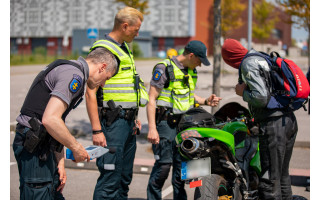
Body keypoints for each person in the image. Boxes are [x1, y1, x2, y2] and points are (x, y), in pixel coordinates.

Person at [12, 47, 118, 199]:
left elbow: (57, 122)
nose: (103, 85)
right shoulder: (74, 76)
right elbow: (50, 119)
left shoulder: (70, 68)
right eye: (107, 78)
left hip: (42, 145)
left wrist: (59, 161)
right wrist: (76, 148)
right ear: (102, 67)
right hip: (34, 148)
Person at [221, 38, 298, 200]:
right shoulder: (261, 57)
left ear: (230, 58)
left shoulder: (248, 64)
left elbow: (261, 97)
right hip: (288, 121)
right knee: (282, 176)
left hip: (273, 125)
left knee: (269, 180)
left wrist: (243, 93)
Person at [85, 7, 149, 199]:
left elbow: (127, 88)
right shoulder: (104, 49)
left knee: (123, 178)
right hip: (113, 125)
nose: (138, 33)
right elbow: (90, 91)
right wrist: (97, 130)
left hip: (127, 124)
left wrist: (134, 117)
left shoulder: (123, 48)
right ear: (124, 26)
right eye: (135, 29)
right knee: (110, 177)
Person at [146, 40, 222, 200]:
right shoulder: (164, 68)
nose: (200, 65)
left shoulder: (191, 71)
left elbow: (187, 95)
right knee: (163, 168)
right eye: (199, 61)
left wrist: (205, 101)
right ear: (191, 55)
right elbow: (151, 98)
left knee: (185, 169)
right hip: (166, 123)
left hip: (185, 124)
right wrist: (152, 128)